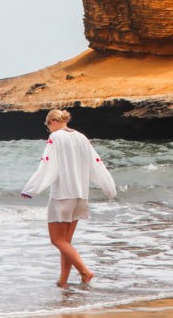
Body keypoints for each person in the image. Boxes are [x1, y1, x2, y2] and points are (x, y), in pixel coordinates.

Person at [20, 108, 116, 288]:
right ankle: (63, 281)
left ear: (53, 122)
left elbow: (47, 164)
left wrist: (32, 189)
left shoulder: (55, 138)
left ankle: (85, 271)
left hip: (63, 195)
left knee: (57, 240)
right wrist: (109, 188)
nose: (48, 130)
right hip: (81, 195)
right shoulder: (81, 137)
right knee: (66, 242)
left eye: (47, 126)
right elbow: (96, 164)